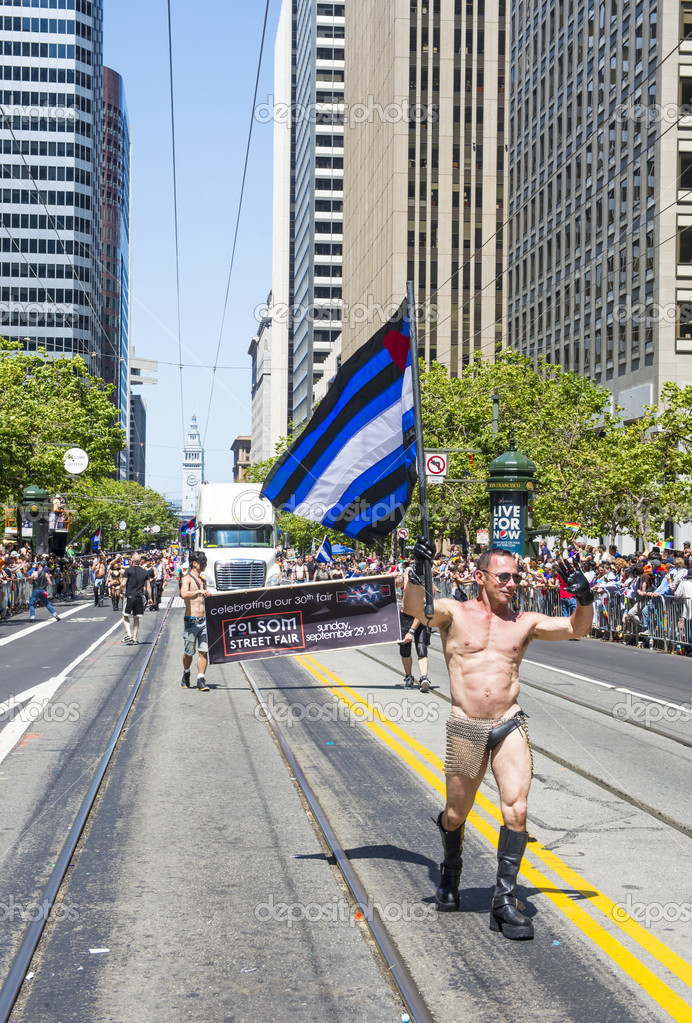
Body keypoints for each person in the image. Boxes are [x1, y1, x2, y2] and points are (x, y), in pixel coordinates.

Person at [403, 539, 594, 940]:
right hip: (467, 727)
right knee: (456, 814)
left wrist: (584, 597)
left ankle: (503, 901)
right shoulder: (455, 612)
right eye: (504, 576)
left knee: (517, 809)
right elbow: (415, 609)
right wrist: (419, 571)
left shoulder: (524, 622)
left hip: (509, 723)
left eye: (516, 577)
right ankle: (450, 869)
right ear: (481, 577)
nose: (512, 584)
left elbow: (578, 628)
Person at [396, 562, 432, 692]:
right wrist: (391, 577)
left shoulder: (428, 586)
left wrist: (411, 631)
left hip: (420, 617)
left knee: (421, 647)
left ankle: (424, 677)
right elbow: (394, 584)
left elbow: (421, 610)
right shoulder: (407, 573)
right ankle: (408, 676)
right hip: (405, 616)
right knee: (404, 649)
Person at [180, 550, 212, 691]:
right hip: (191, 621)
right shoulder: (187, 579)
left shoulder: (203, 581)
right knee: (189, 653)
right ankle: (186, 673)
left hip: (204, 621)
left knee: (203, 651)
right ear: (194, 563)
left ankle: (201, 679)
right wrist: (199, 592)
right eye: (202, 563)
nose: (204, 565)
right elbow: (183, 594)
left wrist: (208, 595)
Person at [120, 552, 153, 646]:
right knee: (136, 618)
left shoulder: (128, 571)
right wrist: (150, 598)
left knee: (124, 615)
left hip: (129, 596)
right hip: (139, 597)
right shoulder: (144, 572)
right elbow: (148, 586)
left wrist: (120, 592)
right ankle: (135, 638)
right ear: (140, 562)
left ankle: (129, 635)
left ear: (132, 561)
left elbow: (123, 584)